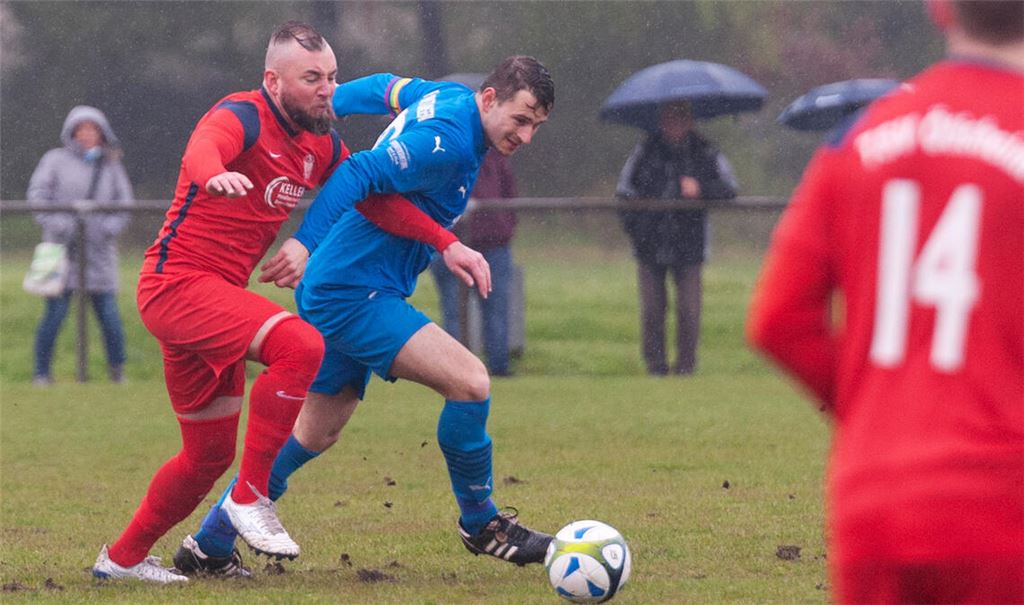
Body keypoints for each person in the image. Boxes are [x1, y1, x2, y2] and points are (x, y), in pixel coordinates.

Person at [91, 21, 453, 584]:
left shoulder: (323, 145)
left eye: (332, 77)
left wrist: (447, 242)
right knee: (299, 344)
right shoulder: (242, 115)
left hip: (211, 302)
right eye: (311, 78)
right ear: (273, 81)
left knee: (206, 456)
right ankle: (250, 496)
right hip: (176, 286)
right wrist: (215, 177)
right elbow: (202, 149)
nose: (327, 89)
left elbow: (375, 201)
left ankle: (120, 561)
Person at [175, 56, 555, 577]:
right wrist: (305, 244)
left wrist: (328, 104)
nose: (526, 135)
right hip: (352, 291)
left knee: (316, 431)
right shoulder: (447, 138)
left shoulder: (444, 95)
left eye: (536, 125)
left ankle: (210, 543)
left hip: (343, 283)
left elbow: (383, 89)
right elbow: (356, 171)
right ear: (489, 99)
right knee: (469, 382)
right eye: (521, 118)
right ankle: (482, 523)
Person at [746, 1, 1023, 603]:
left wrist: (878, 407)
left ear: (940, 8)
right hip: (1003, 504)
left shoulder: (861, 137)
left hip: (876, 498)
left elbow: (778, 320)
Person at [616, 102, 737, 376]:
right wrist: (637, 229)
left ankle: (686, 367)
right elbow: (624, 192)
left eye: (680, 118)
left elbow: (729, 189)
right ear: (662, 121)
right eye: (670, 118)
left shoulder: (706, 151)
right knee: (652, 311)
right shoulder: (645, 151)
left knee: (689, 310)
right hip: (649, 245)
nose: (675, 124)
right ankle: (656, 367)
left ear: (690, 121)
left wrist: (701, 189)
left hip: (690, 245)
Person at [28, 105, 133, 386]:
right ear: (71, 132)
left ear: (102, 133)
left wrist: (106, 229)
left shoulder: (110, 165)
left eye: (92, 129)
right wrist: (62, 224)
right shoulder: (54, 160)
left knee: (109, 316)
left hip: (99, 255)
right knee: (54, 315)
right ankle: (41, 373)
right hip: (61, 251)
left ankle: (116, 372)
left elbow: (124, 204)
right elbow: (38, 195)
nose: (87, 135)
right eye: (81, 129)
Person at [430, 148, 519, 376]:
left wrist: (504, 227)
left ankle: (499, 367)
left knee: (496, 308)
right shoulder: (442, 152)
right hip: (451, 245)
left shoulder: (496, 156)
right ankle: (456, 369)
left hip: (494, 245)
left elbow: (509, 195)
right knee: (454, 310)